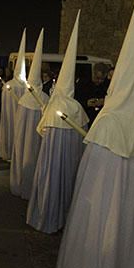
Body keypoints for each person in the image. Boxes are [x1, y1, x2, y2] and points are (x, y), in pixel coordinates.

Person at [57, 0, 134, 268]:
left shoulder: (106, 123)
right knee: (128, 228)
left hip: (100, 205)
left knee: (103, 229)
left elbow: (89, 175)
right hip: (129, 210)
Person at [27, 15, 88, 234]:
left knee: (50, 183)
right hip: (70, 158)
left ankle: (46, 214)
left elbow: (41, 129)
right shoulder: (78, 108)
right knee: (66, 184)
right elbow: (84, 134)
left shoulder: (53, 106)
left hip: (51, 158)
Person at [11, 30, 46, 199]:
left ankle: (23, 184)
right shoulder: (45, 99)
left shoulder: (25, 99)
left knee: (26, 157)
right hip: (37, 140)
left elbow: (18, 124)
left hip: (25, 139)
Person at [0, 30, 27, 161]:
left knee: (10, 131)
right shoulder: (27, 86)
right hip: (19, 115)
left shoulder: (8, 85)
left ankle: (9, 152)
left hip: (10, 115)